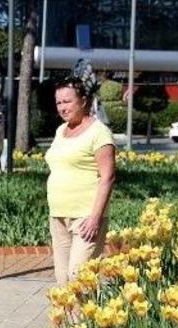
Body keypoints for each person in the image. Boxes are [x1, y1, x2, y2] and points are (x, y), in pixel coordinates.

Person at [45, 76, 116, 285]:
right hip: (58, 216)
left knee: (79, 279)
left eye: (67, 101)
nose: (62, 108)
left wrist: (95, 218)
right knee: (62, 280)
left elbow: (108, 177)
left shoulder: (99, 132)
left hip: (86, 218)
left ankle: (84, 318)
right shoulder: (61, 131)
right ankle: (69, 319)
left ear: (83, 100)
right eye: (59, 102)